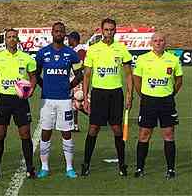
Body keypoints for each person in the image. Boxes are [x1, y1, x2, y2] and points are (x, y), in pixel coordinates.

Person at [81, 18, 133, 177]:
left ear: (115, 31)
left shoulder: (121, 49)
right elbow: (87, 75)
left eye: (112, 30)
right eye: (106, 30)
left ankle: (122, 164)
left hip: (116, 93)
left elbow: (129, 74)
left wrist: (130, 94)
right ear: (101, 31)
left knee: (117, 129)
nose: (109, 32)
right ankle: (86, 164)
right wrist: (85, 97)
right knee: (93, 128)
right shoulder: (93, 49)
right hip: (98, 94)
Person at [0, 28, 37, 179]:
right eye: (9, 37)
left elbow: (33, 76)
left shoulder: (26, 58)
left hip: (20, 100)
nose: (12, 39)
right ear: (5, 40)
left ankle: (30, 168)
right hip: (3, 100)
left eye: (14, 37)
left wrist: (32, 88)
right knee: (0, 134)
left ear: (18, 39)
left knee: (25, 134)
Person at [133, 33, 183, 179]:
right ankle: (140, 168)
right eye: (155, 40)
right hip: (148, 101)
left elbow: (179, 80)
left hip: (167, 102)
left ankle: (171, 170)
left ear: (165, 43)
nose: (158, 43)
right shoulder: (142, 59)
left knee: (168, 135)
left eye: (161, 40)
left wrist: (170, 94)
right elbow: (137, 79)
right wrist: (143, 95)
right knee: (144, 135)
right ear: (151, 43)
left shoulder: (173, 59)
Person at [35, 22, 81, 179]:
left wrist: (69, 86)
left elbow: (80, 73)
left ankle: (69, 167)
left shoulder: (71, 54)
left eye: (61, 31)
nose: (59, 33)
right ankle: (44, 167)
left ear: (65, 34)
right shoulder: (42, 53)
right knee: (46, 132)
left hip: (64, 100)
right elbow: (35, 74)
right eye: (56, 31)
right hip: (47, 100)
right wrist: (44, 86)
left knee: (66, 132)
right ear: (52, 33)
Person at [68, 31, 87, 132]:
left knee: (79, 103)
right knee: (73, 104)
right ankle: (74, 125)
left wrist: (77, 74)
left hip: (78, 80)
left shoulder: (80, 50)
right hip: (73, 79)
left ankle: (97, 118)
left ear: (73, 39)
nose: (68, 41)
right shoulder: (74, 50)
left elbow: (82, 64)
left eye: (69, 39)